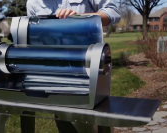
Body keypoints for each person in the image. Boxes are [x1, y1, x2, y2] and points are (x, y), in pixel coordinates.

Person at [26, 0, 121, 132]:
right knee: (65, 124)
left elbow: (113, 12)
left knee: (95, 124)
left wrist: (81, 18)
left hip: (89, 70)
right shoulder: (32, 3)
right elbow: (33, 38)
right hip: (55, 74)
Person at [26, 0, 121, 26]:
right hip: (51, 61)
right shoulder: (32, 3)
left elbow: (113, 13)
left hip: (87, 58)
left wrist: (79, 18)